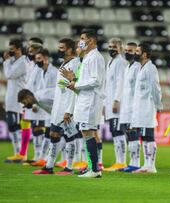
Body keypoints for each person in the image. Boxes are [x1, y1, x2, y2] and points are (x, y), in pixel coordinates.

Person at [32, 38, 81, 175]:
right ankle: (49, 166)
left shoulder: (75, 64)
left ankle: (69, 167)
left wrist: (69, 110)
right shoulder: (63, 64)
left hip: (67, 108)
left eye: (62, 48)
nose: (59, 50)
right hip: (58, 106)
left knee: (70, 136)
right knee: (53, 134)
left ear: (70, 49)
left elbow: (74, 88)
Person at [64, 29, 105, 178]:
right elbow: (85, 81)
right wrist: (74, 81)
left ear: (91, 41)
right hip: (85, 99)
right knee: (86, 132)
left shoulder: (95, 58)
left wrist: (76, 84)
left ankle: (94, 169)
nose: (80, 42)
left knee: (88, 132)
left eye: (82, 38)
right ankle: (92, 167)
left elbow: (96, 80)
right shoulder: (88, 58)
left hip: (91, 100)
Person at [131, 43, 162, 173]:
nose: (135, 54)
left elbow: (155, 88)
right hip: (140, 108)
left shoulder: (150, 68)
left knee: (148, 135)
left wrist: (158, 104)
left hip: (147, 107)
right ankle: (146, 164)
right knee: (144, 136)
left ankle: (151, 165)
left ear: (144, 54)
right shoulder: (141, 68)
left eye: (137, 51)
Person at [103, 38, 128, 172]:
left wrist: (117, 100)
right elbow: (108, 85)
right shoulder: (110, 62)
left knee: (118, 132)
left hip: (116, 103)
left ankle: (121, 162)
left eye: (114, 47)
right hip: (110, 102)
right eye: (110, 46)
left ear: (120, 48)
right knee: (114, 132)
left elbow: (121, 82)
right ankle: (118, 161)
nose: (111, 49)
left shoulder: (120, 62)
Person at [118, 42, 141, 172]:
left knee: (133, 134)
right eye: (126, 50)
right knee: (128, 134)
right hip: (126, 106)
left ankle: (135, 163)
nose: (127, 53)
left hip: (134, 106)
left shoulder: (138, 67)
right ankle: (131, 162)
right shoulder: (128, 67)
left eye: (130, 51)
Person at [3, 39, 27, 162]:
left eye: (12, 49)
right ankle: (17, 153)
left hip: (18, 99)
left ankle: (21, 154)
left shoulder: (22, 62)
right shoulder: (13, 61)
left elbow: (9, 75)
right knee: (12, 126)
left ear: (18, 49)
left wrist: (6, 61)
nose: (10, 51)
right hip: (11, 98)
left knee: (17, 126)